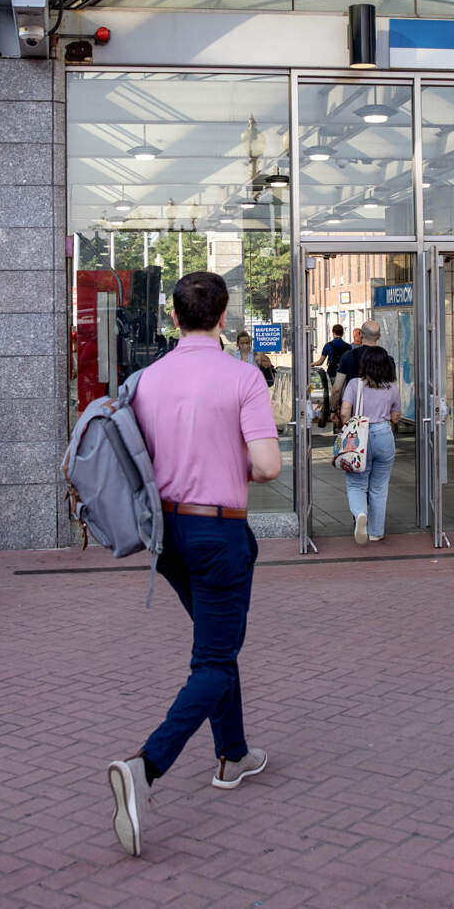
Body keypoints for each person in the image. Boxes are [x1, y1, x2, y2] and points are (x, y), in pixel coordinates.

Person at [106, 271, 281, 858]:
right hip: (219, 530)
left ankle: (232, 755)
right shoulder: (243, 378)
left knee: (215, 646)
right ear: (223, 317)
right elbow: (268, 466)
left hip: (169, 535)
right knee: (214, 657)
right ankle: (145, 767)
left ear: (173, 319)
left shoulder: (145, 381)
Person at [339, 343, 401, 544]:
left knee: (357, 483)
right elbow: (396, 417)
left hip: (360, 436)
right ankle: (376, 532)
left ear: (365, 364)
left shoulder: (355, 384)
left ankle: (360, 514)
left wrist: (347, 426)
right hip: (384, 435)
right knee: (379, 487)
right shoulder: (392, 387)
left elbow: (344, 412)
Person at [314, 323, 349, 426]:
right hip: (344, 375)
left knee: (331, 396)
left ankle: (329, 416)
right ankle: (341, 421)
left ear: (333, 333)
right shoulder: (348, 347)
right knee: (342, 397)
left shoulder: (328, 345)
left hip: (331, 374)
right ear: (342, 333)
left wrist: (310, 364)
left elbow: (320, 362)